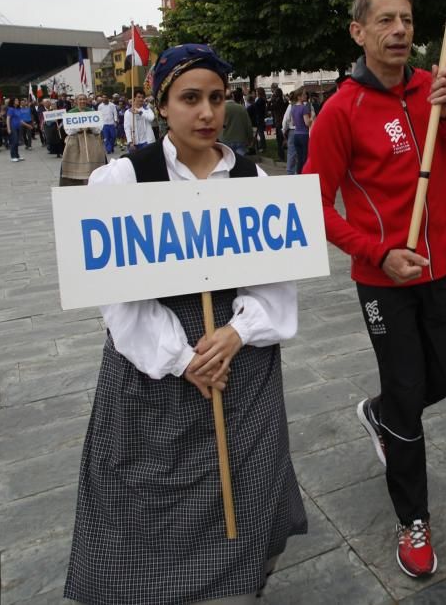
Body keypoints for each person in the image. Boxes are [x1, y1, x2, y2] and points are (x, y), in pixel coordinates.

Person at [64, 43, 305, 605]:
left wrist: (237, 331)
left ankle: (239, 580)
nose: (207, 113)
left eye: (216, 98)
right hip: (153, 362)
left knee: (242, 488)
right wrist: (181, 357)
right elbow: (116, 297)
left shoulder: (254, 180)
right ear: (162, 105)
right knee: (148, 495)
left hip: (240, 363)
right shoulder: (123, 180)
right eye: (190, 98)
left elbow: (276, 285)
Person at [303, 0, 446, 578]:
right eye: (385, 20)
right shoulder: (340, 111)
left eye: (406, 19)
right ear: (359, 32)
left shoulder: (434, 90)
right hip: (382, 281)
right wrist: (375, 253)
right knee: (409, 397)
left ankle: (380, 414)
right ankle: (414, 519)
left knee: (444, 379)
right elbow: (315, 203)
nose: (400, 30)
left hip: (441, 269)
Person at [58, 94, 105, 185]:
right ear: (76, 101)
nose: (82, 101)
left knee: (94, 164)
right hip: (76, 141)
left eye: (84, 99)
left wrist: (90, 127)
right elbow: (68, 131)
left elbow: (98, 129)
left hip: (91, 141)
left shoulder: (92, 112)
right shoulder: (70, 113)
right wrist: (79, 128)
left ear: (87, 101)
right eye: (80, 99)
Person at [220, 89, 253, 156]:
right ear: (232, 96)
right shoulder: (241, 108)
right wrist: (250, 138)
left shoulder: (219, 109)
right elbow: (248, 125)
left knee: (228, 163)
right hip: (240, 139)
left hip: (225, 139)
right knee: (240, 163)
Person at [288, 90, 311, 172]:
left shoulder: (293, 108)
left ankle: (299, 174)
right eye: (304, 95)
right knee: (305, 158)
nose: (306, 96)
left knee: (299, 158)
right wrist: (313, 118)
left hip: (296, 135)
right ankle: (305, 175)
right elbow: (307, 123)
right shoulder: (304, 108)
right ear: (299, 97)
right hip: (304, 135)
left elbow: (293, 123)